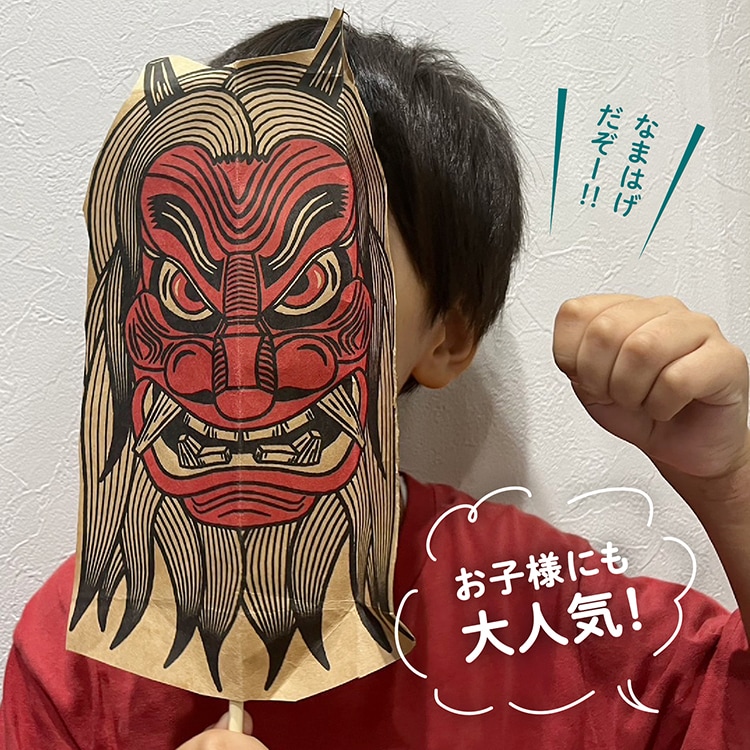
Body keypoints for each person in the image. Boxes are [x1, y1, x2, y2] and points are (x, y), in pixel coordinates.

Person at [1, 16, 749, 750]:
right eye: (180, 287)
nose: (238, 385)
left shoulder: (545, 615)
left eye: (311, 284)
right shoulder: (77, 657)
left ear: (446, 337)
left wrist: (730, 483)